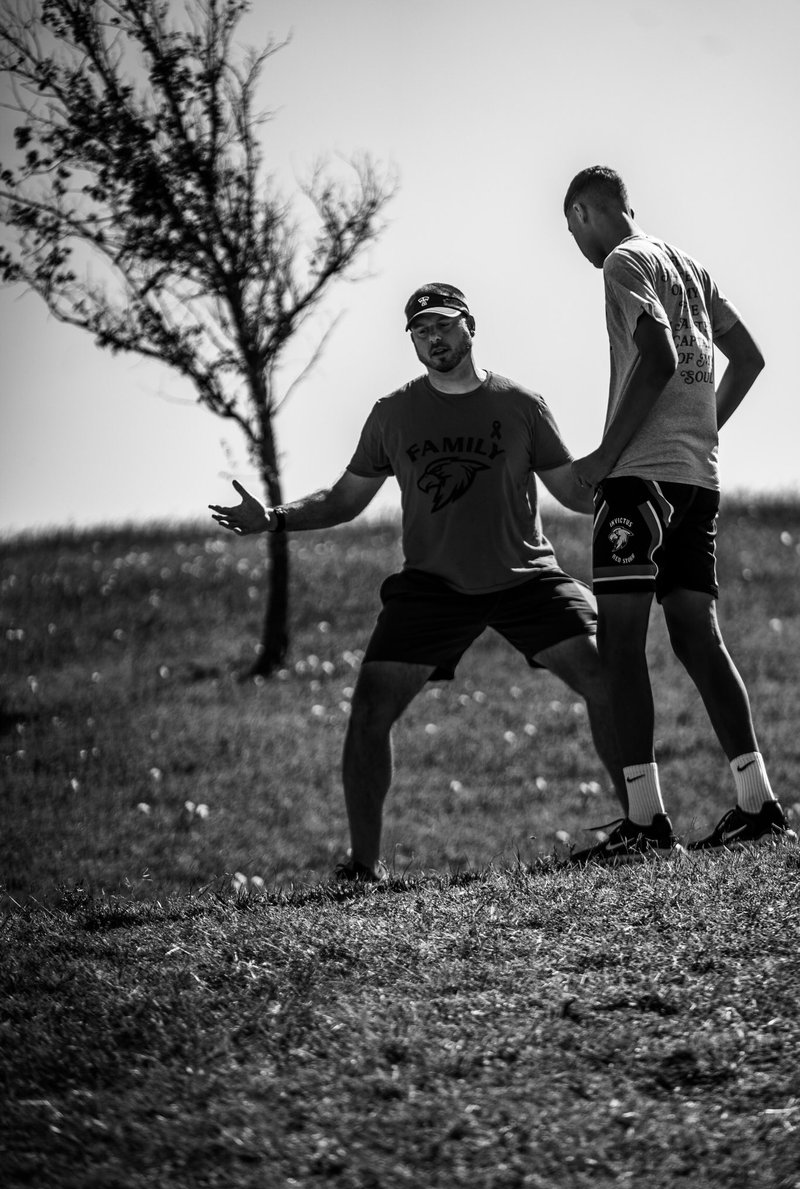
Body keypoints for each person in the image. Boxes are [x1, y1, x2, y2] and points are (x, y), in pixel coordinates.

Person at [210, 283, 625, 881]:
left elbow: (572, 492)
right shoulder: (392, 414)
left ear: (470, 326)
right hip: (432, 586)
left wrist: (635, 497)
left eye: (444, 325)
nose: (434, 338)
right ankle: (363, 867)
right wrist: (273, 519)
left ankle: (641, 826)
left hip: (527, 577)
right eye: (421, 330)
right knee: (370, 709)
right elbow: (345, 499)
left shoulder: (521, 405)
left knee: (606, 676)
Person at [563, 165, 792, 861]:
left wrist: (606, 455)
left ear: (583, 214)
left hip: (641, 481)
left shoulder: (623, 263)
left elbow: (657, 358)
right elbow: (747, 357)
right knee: (697, 636)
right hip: (700, 481)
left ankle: (645, 822)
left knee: (621, 644)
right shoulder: (690, 267)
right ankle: (758, 804)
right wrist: (705, 429)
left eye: (570, 226)